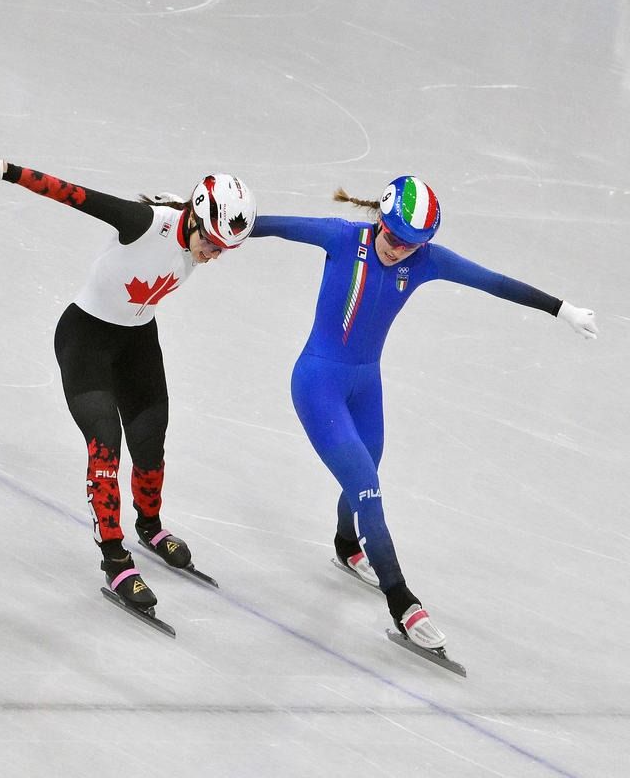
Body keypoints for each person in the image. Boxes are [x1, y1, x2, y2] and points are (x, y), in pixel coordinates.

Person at [248, 175, 598, 650]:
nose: (399, 251)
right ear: (380, 221)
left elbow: (493, 282)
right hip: (318, 385)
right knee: (366, 489)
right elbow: (268, 225)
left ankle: (347, 545)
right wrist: (196, 217)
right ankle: (402, 600)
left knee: (367, 473)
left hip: (365, 387)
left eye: (412, 244)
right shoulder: (342, 237)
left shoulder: (427, 260)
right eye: (394, 238)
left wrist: (561, 309)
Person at [0, 149, 257, 611]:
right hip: (86, 342)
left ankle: (150, 527)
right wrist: (1, 170)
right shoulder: (144, 223)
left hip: (138, 343)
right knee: (105, 446)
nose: (214, 256)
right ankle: (115, 559)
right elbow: (72, 194)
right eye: (212, 244)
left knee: (151, 439)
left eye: (224, 250)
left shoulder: (204, 229)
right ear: (195, 218)